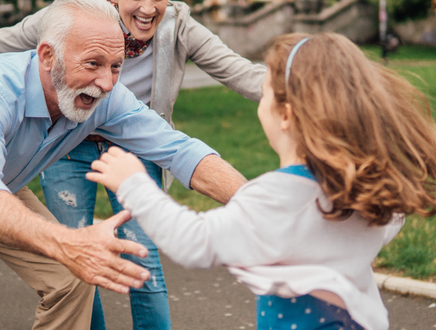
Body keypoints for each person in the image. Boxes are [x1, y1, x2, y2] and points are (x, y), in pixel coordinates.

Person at [0, 0, 266, 330]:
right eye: (92, 64)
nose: (106, 83)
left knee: (74, 278)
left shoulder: (106, 95)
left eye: (116, 66)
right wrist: (67, 242)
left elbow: (180, 151)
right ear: (47, 56)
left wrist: (258, 206)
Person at [87, 32, 436, 330]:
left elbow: (193, 241)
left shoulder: (276, 198)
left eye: (264, 91)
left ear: (285, 115)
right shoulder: (367, 193)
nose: (260, 102)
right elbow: (390, 220)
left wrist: (134, 183)